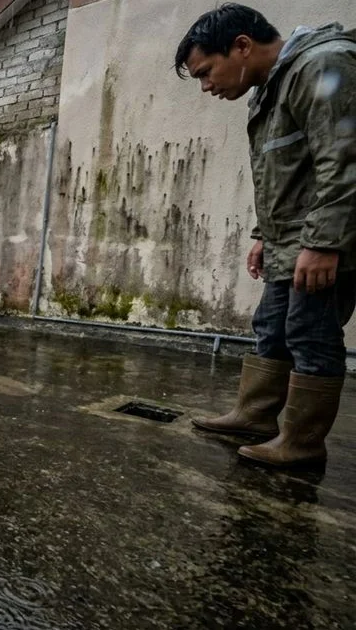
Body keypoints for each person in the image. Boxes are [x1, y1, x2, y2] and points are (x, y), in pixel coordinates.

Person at [174, 4, 356, 467]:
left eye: (206, 72)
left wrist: (323, 243)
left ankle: (302, 443)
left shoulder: (322, 66)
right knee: (271, 328)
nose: (206, 85)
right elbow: (287, 172)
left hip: (320, 240)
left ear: (241, 46)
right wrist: (262, 234)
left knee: (310, 334)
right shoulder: (271, 89)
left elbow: (343, 161)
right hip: (288, 240)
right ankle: (254, 417)